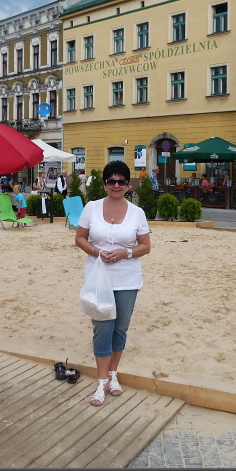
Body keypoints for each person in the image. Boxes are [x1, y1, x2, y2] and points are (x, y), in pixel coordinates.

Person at [74, 161, 151, 407]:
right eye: (111, 181)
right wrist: (97, 251)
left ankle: (113, 373)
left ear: (128, 185)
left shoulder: (137, 213)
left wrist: (124, 253)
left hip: (127, 279)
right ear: (105, 183)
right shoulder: (92, 207)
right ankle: (102, 381)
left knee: (119, 329)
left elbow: (145, 246)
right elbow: (80, 238)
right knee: (102, 328)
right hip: (98, 279)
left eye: (121, 181)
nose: (116, 185)